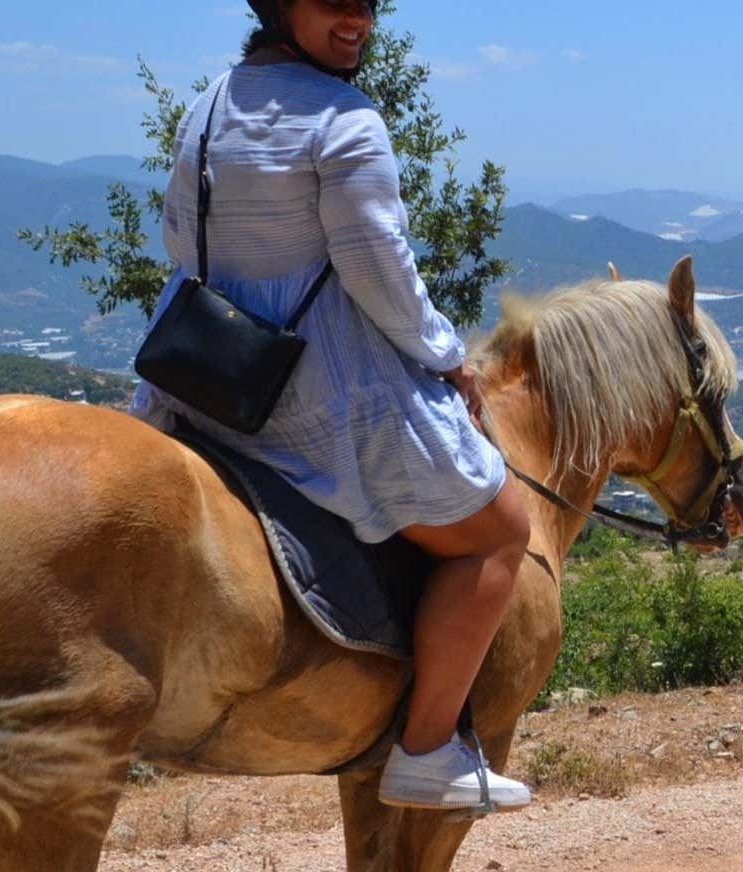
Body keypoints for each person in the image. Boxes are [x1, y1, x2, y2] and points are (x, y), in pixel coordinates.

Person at [131, 0, 532, 811]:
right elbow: (376, 267)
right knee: (501, 528)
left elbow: (179, 238)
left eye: (367, 3)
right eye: (332, 1)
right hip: (313, 386)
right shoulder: (346, 119)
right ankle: (425, 750)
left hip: (200, 375)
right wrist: (447, 359)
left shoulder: (208, 104)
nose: (356, 19)